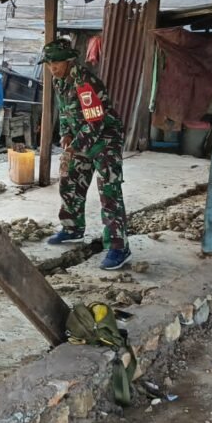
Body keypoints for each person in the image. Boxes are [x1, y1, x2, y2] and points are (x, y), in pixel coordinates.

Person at [42, 38, 131, 270]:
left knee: (109, 191)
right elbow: (64, 111)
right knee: (70, 180)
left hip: (105, 140)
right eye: (49, 63)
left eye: (56, 62)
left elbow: (95, 122)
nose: (52, 67)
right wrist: (65, 135)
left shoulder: (85, 82)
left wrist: (76, 144)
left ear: (69, 60)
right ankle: (72, 228)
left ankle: (119, 247)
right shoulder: (59, 81)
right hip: (82, 139)